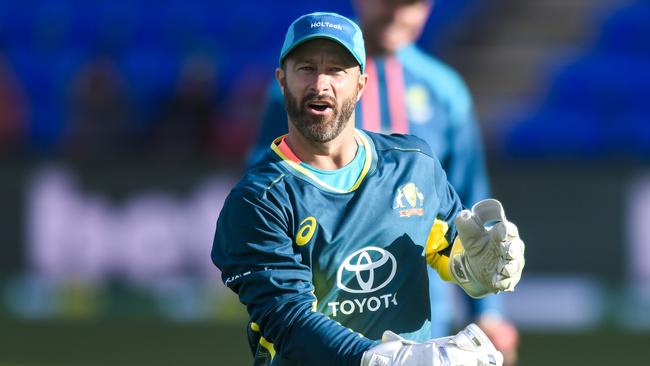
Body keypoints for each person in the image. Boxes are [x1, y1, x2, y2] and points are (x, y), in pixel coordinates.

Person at [212, 12, 525, 366]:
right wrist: (387, 361)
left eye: (336, 70)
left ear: (361, 84)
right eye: (306, 69)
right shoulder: (259, 200)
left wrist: (478, 270)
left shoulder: (414, 163)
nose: (320, 84)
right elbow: (288, 319)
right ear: (282, 81)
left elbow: (448, 246)